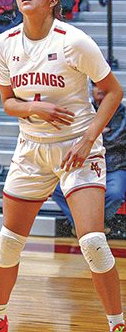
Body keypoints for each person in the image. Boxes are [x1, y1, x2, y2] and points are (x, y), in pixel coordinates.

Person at [0, 0, 124, 332]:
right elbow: (7, 102)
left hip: (77, 149)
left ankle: (117, 324)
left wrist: (87, 140)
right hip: (32, 149)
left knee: (94, 243)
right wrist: (37, 109)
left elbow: (114, 92)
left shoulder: (75, 41)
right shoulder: (3, 43)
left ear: (52, 0)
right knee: (8, 242)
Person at [51, 82, 126, 232]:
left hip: (114, 167)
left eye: (104, 86)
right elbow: (74, 137)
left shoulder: (122, 113)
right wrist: (100, 132)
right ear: (91, 90)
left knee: (115, 193)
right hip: (87, 165)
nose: (100, 90)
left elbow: (114, 140)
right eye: (96, 86)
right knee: (57, 189)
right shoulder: (85, 110)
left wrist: (89, 136)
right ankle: (88, 227)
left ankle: (88, 227)